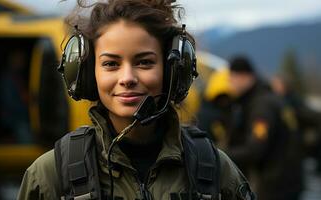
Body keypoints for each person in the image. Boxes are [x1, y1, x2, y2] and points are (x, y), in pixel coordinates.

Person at [17, 1, 254, 199]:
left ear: (172, 71)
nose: (127, 78)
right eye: (111, 64)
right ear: (88, 74)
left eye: (144, 62)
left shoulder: (212, 168)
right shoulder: (52, 175)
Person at [226, 56, 300, 200]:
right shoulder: (266, 97)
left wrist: (220, 155)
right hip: (286, 178)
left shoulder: (261, 106)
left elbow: (255, 150)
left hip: (278, 183)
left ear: (245, 77)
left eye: (232, 77)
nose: (230, 82)